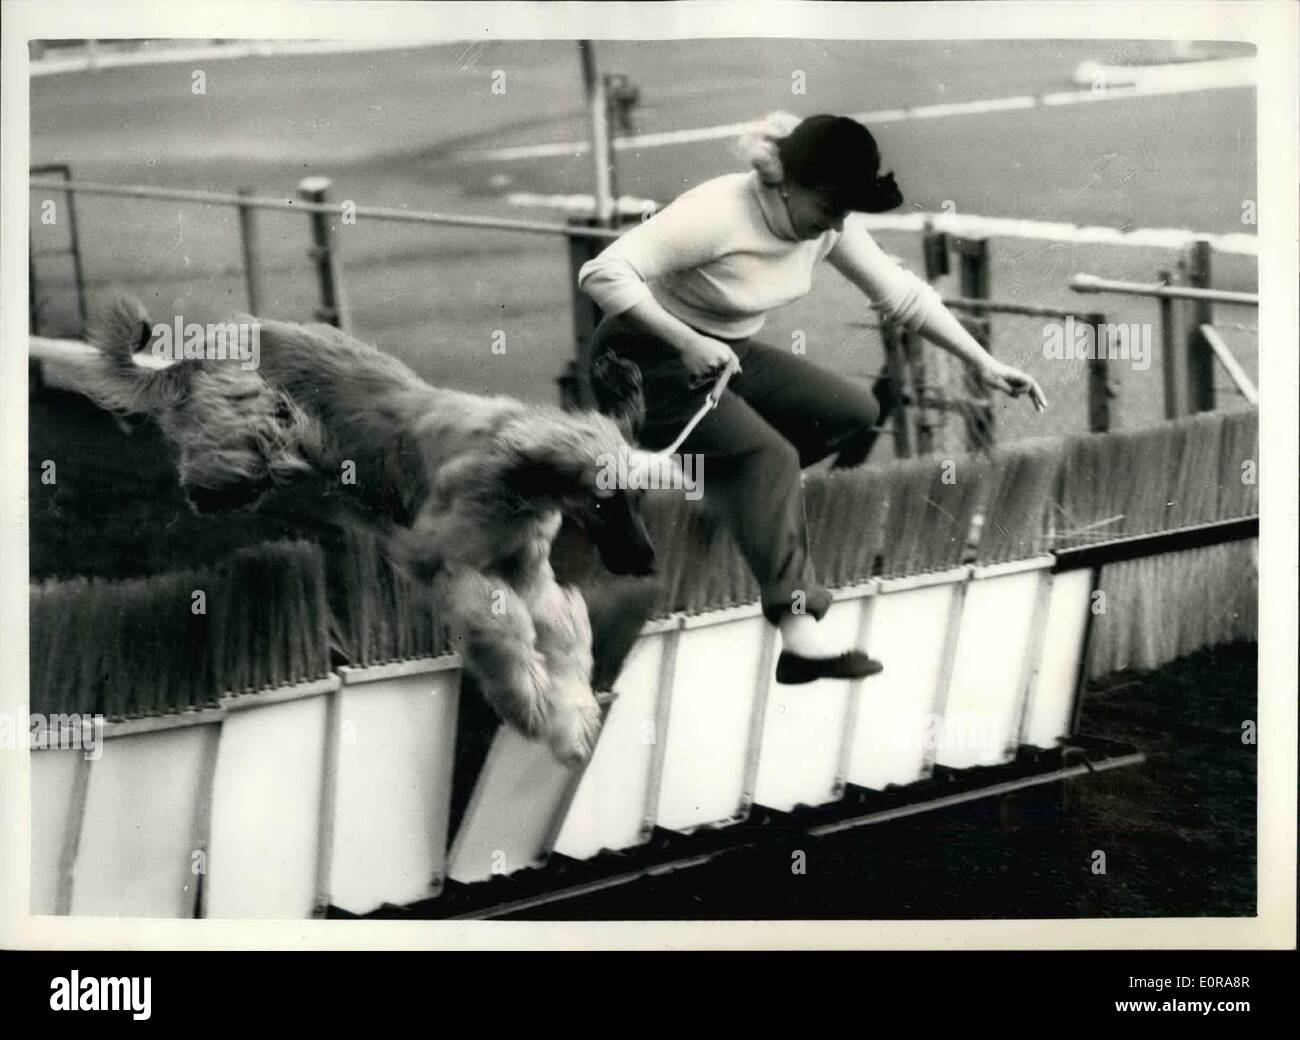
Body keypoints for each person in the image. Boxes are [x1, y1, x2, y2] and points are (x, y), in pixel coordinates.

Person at [578, 113, 1046, 684]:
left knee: (853, 413)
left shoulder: (828, 224)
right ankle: (798, 631)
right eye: (829, 206)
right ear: (782, 181)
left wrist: (986, 362)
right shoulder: (719, 210)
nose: (837, 223)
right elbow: (602, 273)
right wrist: (687, 340)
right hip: (640, 359)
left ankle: (679, 483)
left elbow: (902, 295)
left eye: (847, 210)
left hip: (726, 356)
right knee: (766, 458)